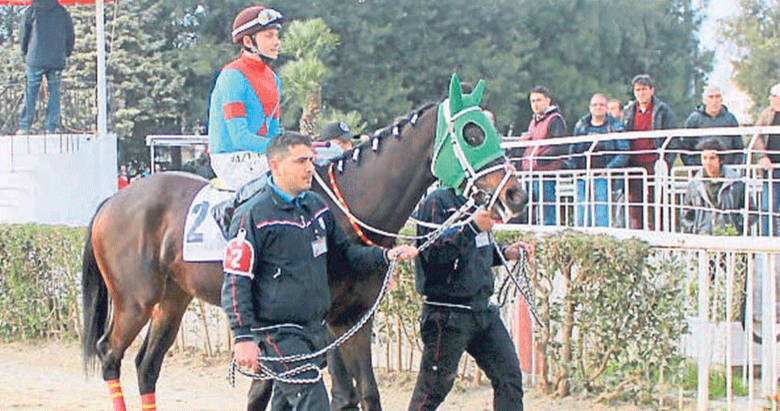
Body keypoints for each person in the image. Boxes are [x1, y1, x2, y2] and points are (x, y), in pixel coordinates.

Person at [221, 132, 417, 411]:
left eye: (311, 160)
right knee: (314, 404)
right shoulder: (252, 214)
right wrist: (242, 337)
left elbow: (348, 255)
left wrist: (386, 255)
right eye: (301, 161)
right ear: (276, 166)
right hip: (277, 333)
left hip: (313, 330)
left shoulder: (316, 207)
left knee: (284, 405)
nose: (310, 167)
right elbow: (235, 280)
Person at [407, 187, 527, 411]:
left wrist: (505, 252)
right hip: (448, 314)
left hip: (483, 311)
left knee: (509, 377)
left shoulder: (478, 202)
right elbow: (432, 255)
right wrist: (471, 228)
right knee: (432, 391)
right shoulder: (437, 202)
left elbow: (474, 251)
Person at [208, 6, 285, 191]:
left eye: (276, 36)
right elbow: (239, 137)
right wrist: (283, 150)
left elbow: (273, 131)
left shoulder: (274, 79)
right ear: (248, 41)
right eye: (269, 36)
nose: (277, 42)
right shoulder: (232, 76)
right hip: (232, 157)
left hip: (262, 155)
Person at [622, 74, 677, 229]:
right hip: (634, 165)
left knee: (657, 203)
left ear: (652, 90)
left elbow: (672, 138)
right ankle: (637, 236)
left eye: (644, 89)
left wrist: (666, 161)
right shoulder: (629, 111)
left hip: (655, 164)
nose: (641, 93)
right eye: (638, 90)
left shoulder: (663, 111)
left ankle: (659, 234)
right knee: (635, 206)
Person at [567, 93, 630, 227]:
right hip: (583, 177)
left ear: (607, 108)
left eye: (602, 105)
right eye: (595, 105)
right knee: (581, 216)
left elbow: (624, 151)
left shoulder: (616, 126)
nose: (598, 107)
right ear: (590, 107)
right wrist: (574, 171)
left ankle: (602, 241)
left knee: (602, 216)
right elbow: (573, 150)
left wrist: (608, 170)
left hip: (604, 177)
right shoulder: (581, 125)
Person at [17, 0, 74, 134]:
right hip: (56, 59)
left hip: (35, 57)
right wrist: (67, 52)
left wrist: (25, 51)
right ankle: (51, 126)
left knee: (31, 91)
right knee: (54, 92)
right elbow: (70, 36)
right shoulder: (62, 12)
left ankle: (24, 125)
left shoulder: (32, 11)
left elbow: (23, 34)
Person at [519, 86, 568, 226]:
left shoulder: (555, 119)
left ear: (548, 101)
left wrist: (540, 160)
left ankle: (549, 236)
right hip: (530, 172)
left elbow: (559, 146)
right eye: (533, 101)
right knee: (529, 210)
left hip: (545, 172)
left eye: (539, 100)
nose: (535, 104)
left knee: (547, 209)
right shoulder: (534, 121)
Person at [681, 138, 750, 235]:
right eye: (704, 158)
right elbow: (686, 215)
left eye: (712, 158)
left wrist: (737, 227)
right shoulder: (694, 185)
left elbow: (751, 211)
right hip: (703, 237)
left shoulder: (735, 183)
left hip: (729, 237)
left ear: (720, 160)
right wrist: (695, 230)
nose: (708, 162)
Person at [679, 86, 743, 166]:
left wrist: (733, 169)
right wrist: (695, 169)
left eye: (717, 97)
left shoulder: (730, 119)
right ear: (704, 100)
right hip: (701, 171)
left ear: (721, 100)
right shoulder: (694, 120)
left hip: (727, 170)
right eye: (711, 97)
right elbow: (685, 149)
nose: (715, 101)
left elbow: (739, 147)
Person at [752, 82, 780, 236]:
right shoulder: (766, 114)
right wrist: (762, 157)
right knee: (768, 207)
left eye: (775, 96)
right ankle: (767, 244)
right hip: (772, 171)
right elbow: (757, 137)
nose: (772, 99)